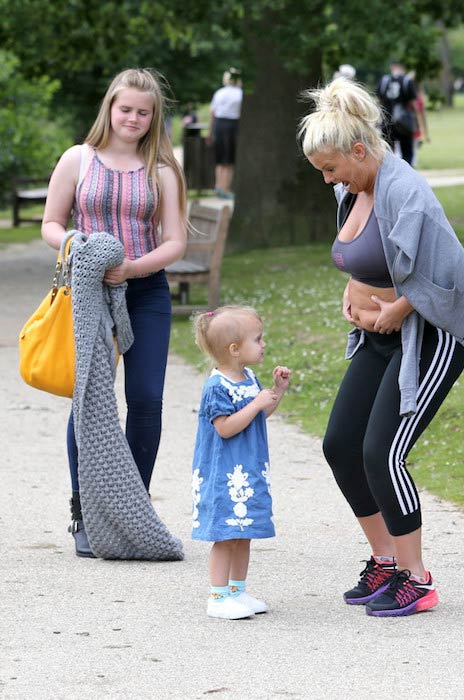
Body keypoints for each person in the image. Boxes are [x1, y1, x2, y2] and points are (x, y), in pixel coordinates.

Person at [299, 78, 464, 617]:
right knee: (340, 444)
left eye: (332, 168)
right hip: (379, 338)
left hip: (430, 338)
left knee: (383, 452)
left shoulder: (408, 193)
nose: (329, 180)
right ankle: (385, 561)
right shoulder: (352, 188)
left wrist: (396, 309)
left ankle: (418, 580)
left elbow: (450, 277)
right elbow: (364, 257)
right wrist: (352, 295)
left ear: (360, 150)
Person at [41, 68, 188, 557]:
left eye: (143, 113)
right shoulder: (77, 159)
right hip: (88, 296)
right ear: (110, 108)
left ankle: (133, 509)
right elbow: (50, 224)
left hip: (145, 293)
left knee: (145, 400)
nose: (133, 118)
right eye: (125, 109)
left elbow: (175, 242)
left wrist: (131, 268)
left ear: (153, 118)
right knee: (89, 398)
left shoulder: (163, 170)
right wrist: (77, 245)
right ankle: (84, 511)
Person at [191, 306, 291, 619]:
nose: (263, 345)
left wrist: (276, 392)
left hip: (248, 470)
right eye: (257, 339)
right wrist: (257, 402)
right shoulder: (217, 386)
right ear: (235, 350)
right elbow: (225, 427)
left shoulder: (248, 377)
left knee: (243, 531)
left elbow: (260, 416)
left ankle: (237, 590)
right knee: (225, 535)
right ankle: (217, 597)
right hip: (225, 473)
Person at [206, 68, 243, 199]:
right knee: (229, 160)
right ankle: (225, 189)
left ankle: (218, 186)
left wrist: (209, 132)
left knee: (220, 158)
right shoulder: (240, 94)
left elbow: (212, 113)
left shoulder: (219, 93)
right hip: (233, 125)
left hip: (219, 125)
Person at [377, 59, 418, 165]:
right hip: (404, 122)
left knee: (387, 154)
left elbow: (378, 102)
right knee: (407, 153)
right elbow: (414, 104)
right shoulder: (407, 81)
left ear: (392, 67)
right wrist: (417, 123)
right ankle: (407, 177)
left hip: (387, 121)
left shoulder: (384, 80)